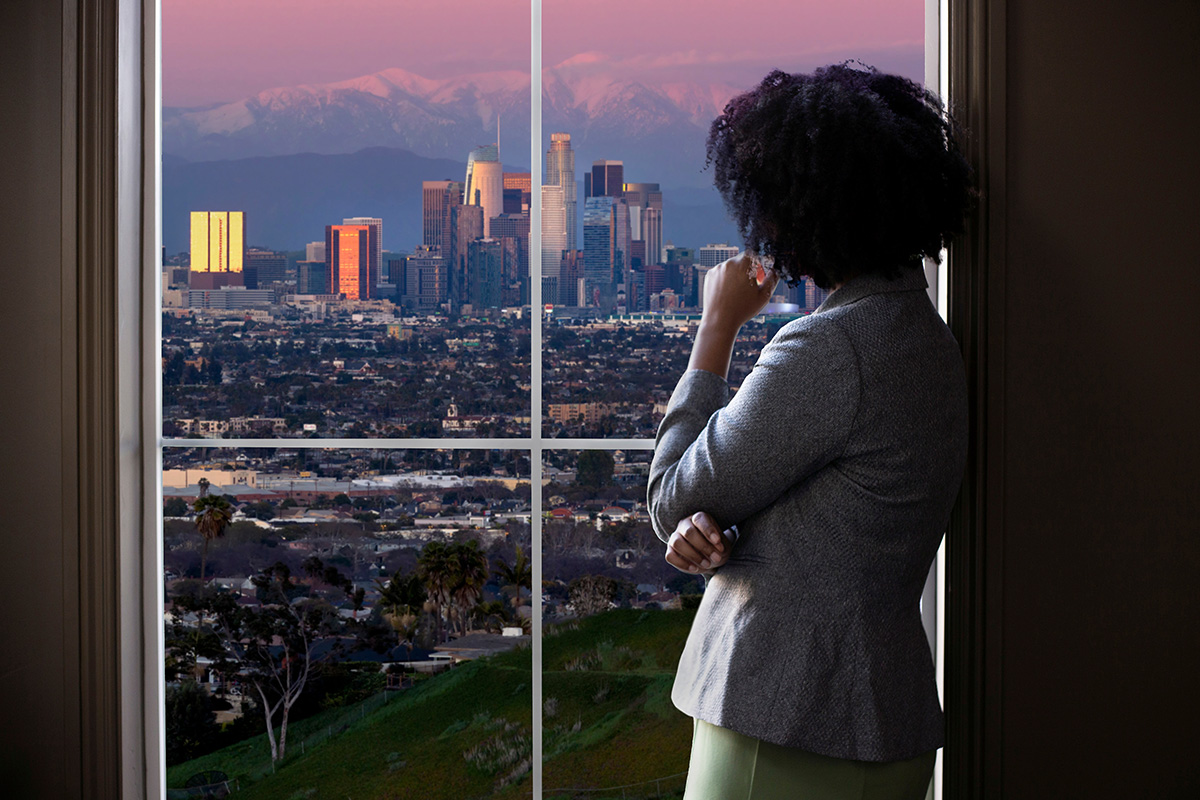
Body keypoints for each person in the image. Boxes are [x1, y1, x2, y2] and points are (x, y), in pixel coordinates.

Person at [647, 64, 974, 800]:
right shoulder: (926, 340)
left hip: (783, 716)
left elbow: (669, 494)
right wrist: (726, 533)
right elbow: (836, 519)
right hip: (884, 723)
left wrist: (716, 327)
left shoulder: (831, 348)